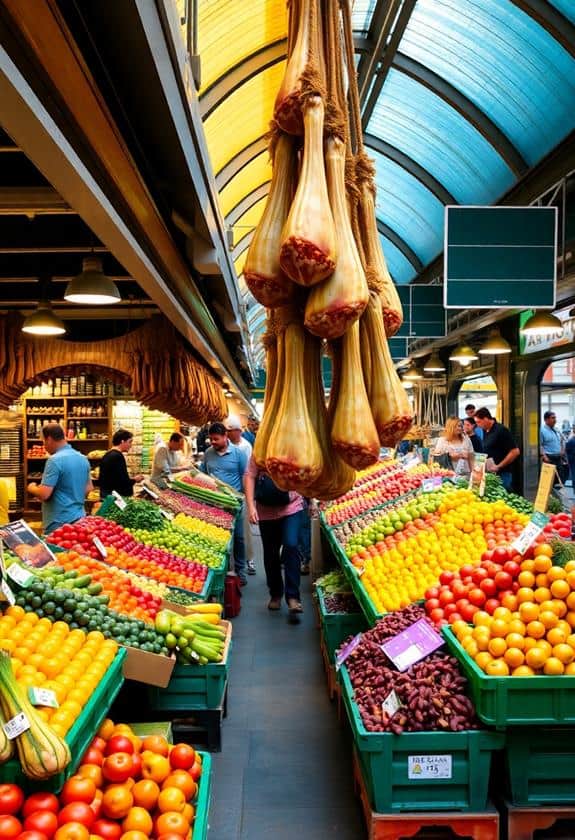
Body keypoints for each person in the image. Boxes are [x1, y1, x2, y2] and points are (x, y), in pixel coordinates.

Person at [244, 455, 305, 621]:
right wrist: (250, 507)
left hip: (291, 507)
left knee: (291, 545)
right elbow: (249, 475)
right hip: (266, 510)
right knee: (271, 554)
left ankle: (293, 597)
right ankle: (276, 593)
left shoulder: (292, 445)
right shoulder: (260, 450)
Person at [202, 422, 249, 584]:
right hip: (214, 505)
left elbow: (246, 476)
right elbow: (203, 474)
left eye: (216, 439)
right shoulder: (208, 453)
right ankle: (222, 573)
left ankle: (240, 571)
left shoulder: (238, 453)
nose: (212, 442)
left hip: (234, 505)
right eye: (211, 439)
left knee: (238, 539)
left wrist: (244, 498)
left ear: (225, 437)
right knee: (219, 540)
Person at [27, 424, 92, 534]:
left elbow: (44, 494)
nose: (44, 446)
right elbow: (89, 488)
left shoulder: (54, 460)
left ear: (49, 439)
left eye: (43, 441)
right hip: (80, 517)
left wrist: (31, 487)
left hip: (59, 522)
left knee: (57, 550)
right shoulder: (82, 458)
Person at [224, 415, 255, 575]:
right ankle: (232, 566)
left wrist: (249, 499)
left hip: (241, 495)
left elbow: (248, 474)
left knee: (244, 533)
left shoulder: (245, 446)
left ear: (238, 431)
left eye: (230, 431)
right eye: (227, 431)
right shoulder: (225, 446)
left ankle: (249, 561)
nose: (228, 433)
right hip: (225, 498)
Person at [474, 408, 520, 491]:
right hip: (491, 473)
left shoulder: (501, 430)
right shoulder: (485, 431)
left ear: (486, 419)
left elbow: (515, 451)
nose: (477, 425)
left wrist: (499, 466)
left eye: (478, 422)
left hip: (503, 473)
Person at [99, 429, 143, 498]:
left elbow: (114, 478)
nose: (131, 445)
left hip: (108, 495)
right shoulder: (117, 456)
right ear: (122, 441)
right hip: (115, 499)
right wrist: (135, 480)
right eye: (130, 442)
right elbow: (123, 482)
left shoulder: (108, 454)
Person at [540, 410, 565, 483]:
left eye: (555, 418)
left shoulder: (556, 429)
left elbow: (561, 440)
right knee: (550, 480)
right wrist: (545, 457)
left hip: (558, 457)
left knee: (560, 479)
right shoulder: (542, 430)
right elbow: (540, 445)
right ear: (546, 420)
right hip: (549, 458)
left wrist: (562, 450)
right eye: (553, 418)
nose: (555, 420)